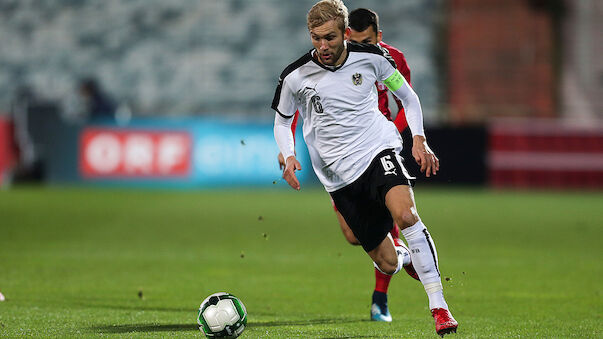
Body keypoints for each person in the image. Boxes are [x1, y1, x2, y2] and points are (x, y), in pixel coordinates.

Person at [272, 0, 458, 336]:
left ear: (345, 33)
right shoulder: (295, 76)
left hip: (376, 149)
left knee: (407, 215)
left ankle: (439, 307)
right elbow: (282, 122)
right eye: (316, 38)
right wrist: (288, 154)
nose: (323, 46)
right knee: (386, 261)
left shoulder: (372, 58)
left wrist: (418, 138)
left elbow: (409, 97)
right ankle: (407, 257)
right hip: (336, 175)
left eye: (330, 37)